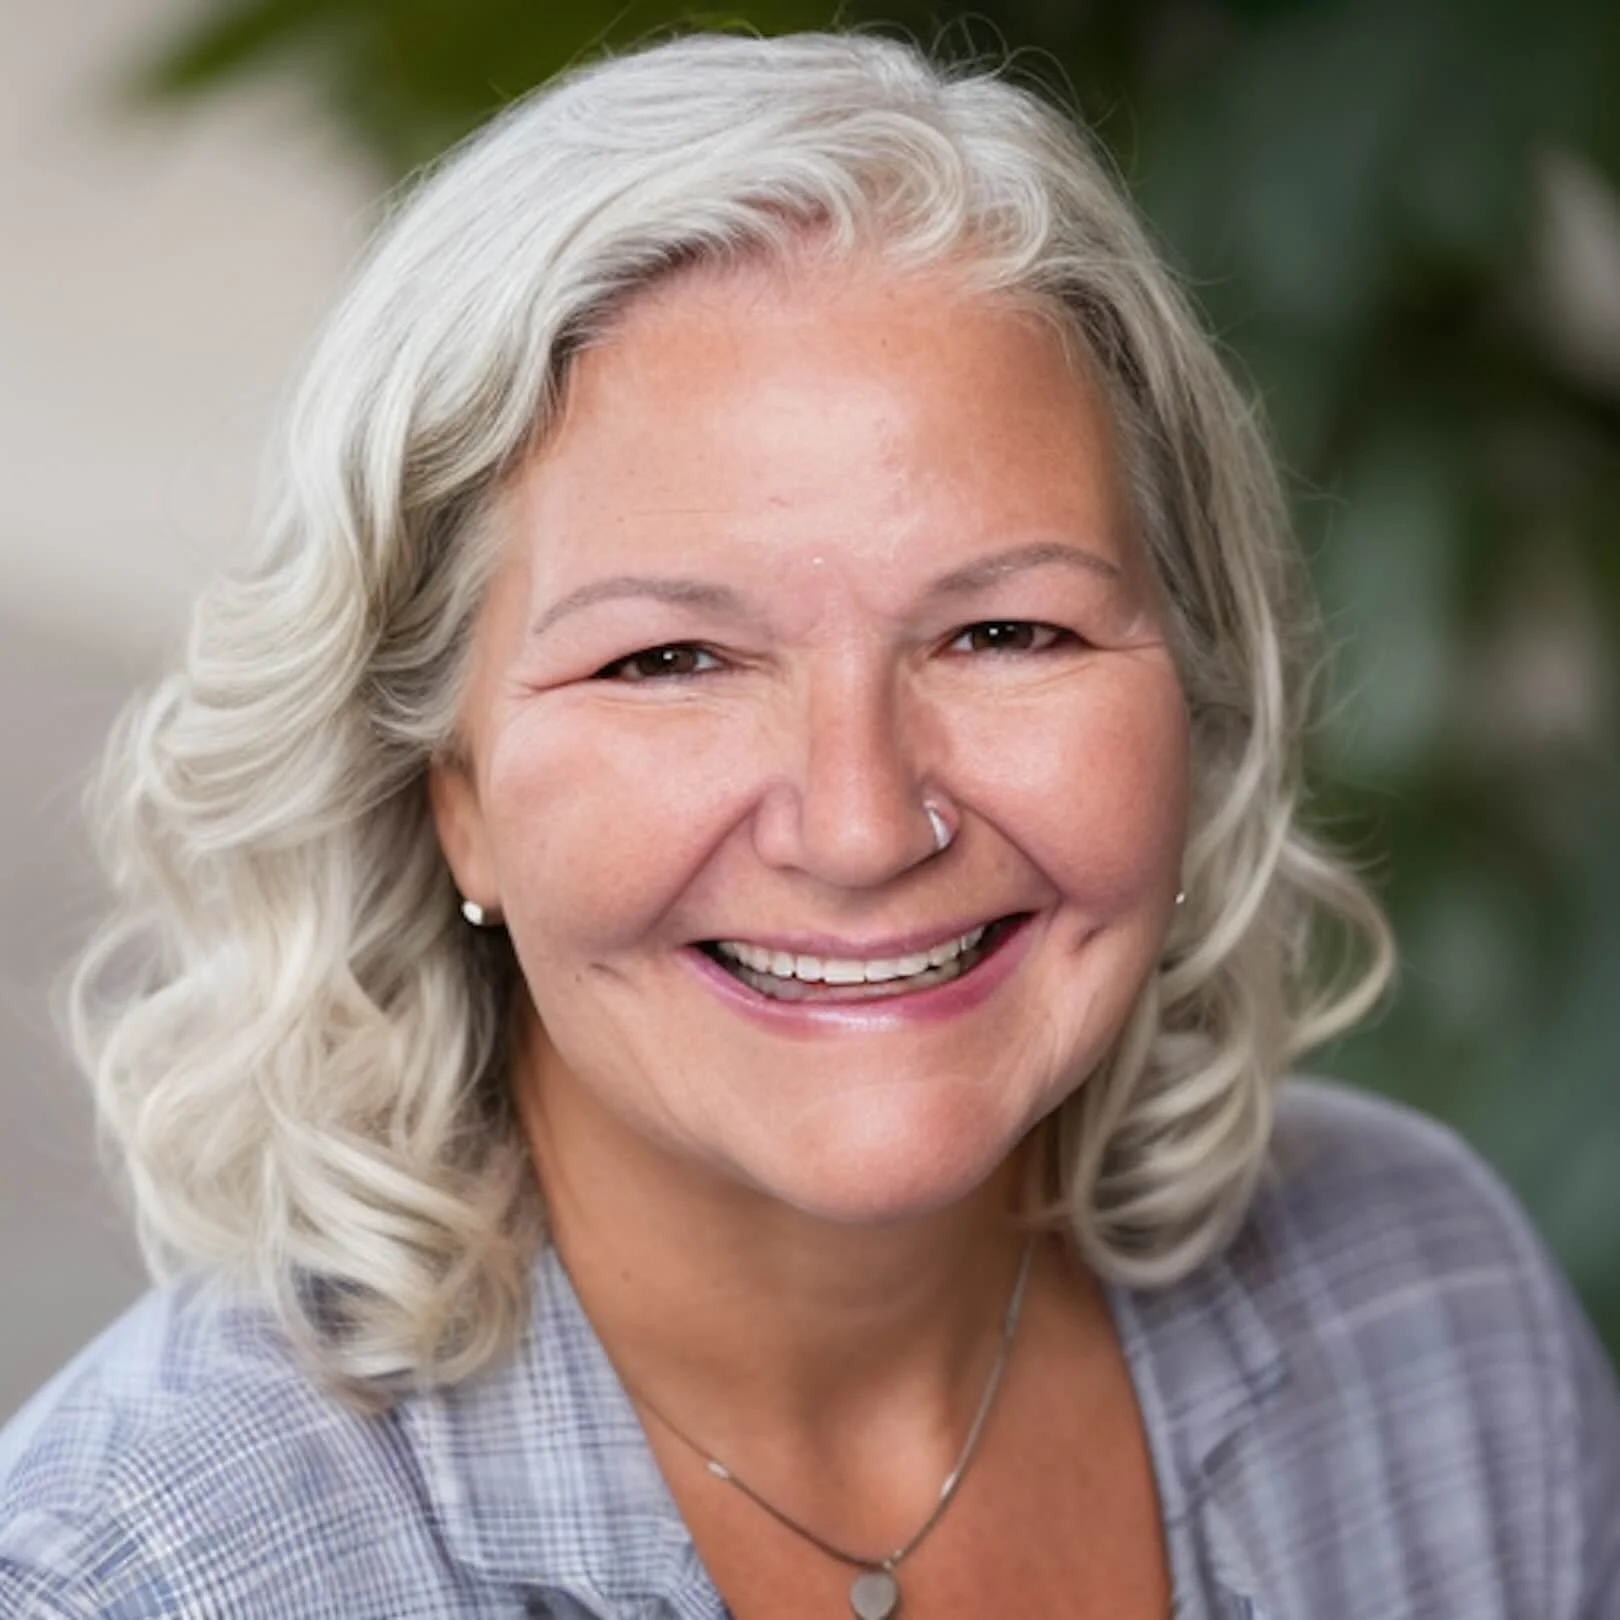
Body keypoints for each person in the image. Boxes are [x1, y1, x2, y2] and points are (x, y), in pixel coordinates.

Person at [1, 29, 1616, 1620]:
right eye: (672, 659)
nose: (859, 825)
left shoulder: (1429, 1305)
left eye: (1006, 632)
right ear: (451, 794)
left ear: (1194, 686)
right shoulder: (135, 1578)